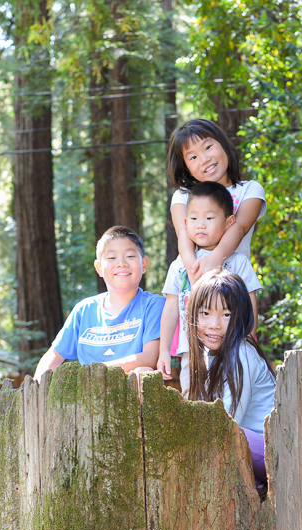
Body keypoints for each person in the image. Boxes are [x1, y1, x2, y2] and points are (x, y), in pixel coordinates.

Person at [157, 182, 261, 392]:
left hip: (233, 349)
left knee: (231, 406)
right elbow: (170, 309)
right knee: (194, 406)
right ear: (185, 222)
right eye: (194, 218)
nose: (200, 225)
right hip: (192, 353)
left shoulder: (238, 263)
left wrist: (249, 340)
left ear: (229, 222)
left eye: (209, 218)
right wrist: (164, 351)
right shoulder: (179, 265)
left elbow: (250, 303)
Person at [34, 226, 165, 383]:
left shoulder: (153, 305)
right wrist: (36, 387)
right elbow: (54, 355)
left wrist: (95, 371)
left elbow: (150, 357)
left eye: (130, 256)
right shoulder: (84, 310)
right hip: (88, 393)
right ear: (99, 268)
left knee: (144, 372)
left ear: (144, 264)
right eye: (111, 258)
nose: (121, 263)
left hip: (129, 395)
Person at [187, 269, 276, 490]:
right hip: (243, 449)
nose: (214, 324)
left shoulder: (242, 354)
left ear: (241, 317)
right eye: (205, 313)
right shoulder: (209, 356)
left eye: (226, 314)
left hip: (270, 452)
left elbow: (227, 420)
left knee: (223, 430)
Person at [166, 118, 266, 284]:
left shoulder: (250, 190)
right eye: (193, 157)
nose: (204, 159)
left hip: (235, 283)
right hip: (191, 281)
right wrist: (194, 272)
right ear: (186, 168)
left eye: (208, 147)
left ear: (223, 145)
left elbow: (239, 227)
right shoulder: (183, 196)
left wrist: (214, 261)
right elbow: (183, 234)